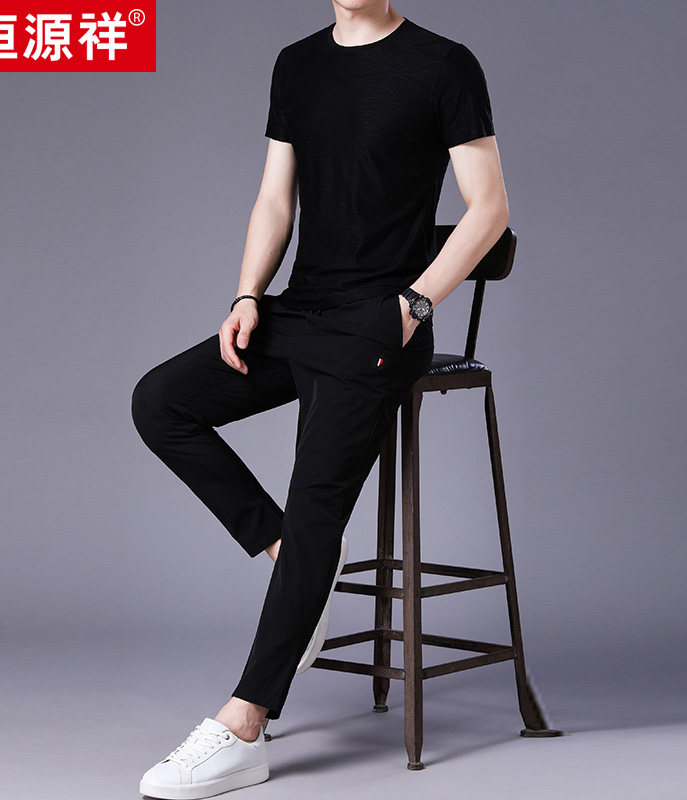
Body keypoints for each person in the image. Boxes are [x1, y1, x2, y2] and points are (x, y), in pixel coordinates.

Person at [132, 2, 509, 796]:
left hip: (379, 325)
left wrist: (414, 307)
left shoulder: (444, 64)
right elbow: (276, 199)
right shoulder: (297, 63)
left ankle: (245, 723)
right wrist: (247, 294)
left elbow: (490, 210)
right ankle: (286, 549)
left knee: (317, 508)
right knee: (162, 402)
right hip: (298, 312)